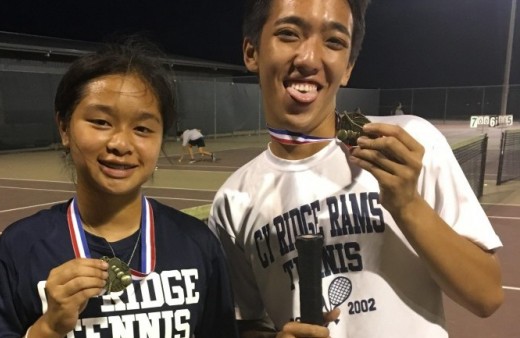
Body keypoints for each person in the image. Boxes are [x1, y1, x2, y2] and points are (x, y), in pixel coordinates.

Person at [208, 1, 503, 337]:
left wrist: (407, 203)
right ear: (252, 52)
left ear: (347, 67)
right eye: (289, 34)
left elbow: (487, 296)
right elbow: (245, 321)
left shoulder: (408, 144)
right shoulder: (233, 200)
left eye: (333, 42)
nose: (307, 58)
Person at [0, 38, 238, 338]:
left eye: (142, 128)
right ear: (64, 127)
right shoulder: (19, 248)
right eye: (101, 122)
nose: (120, 144)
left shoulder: (198, 244)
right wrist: (47, 329)